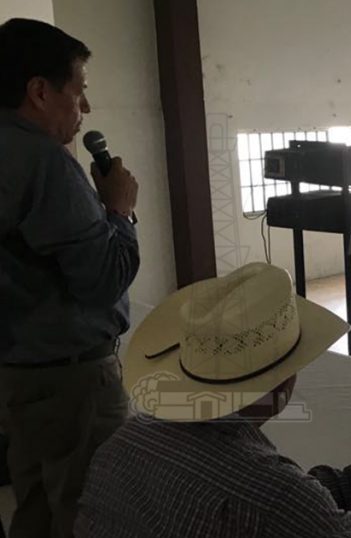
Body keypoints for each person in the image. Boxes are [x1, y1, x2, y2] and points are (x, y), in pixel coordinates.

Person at [74, 263, 351, 537]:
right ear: (284, 380)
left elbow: (291, 503)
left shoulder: (121, 445)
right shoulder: (274, 495)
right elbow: (290, 506)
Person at [0, 19, 140, 537]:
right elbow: (104, 280)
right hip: (71, 380)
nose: (86, 109)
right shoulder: (47, 165)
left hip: (18, 370)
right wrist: (119, 212)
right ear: (40, 91)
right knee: (93, 508)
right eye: (78, 90)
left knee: (34, 504)